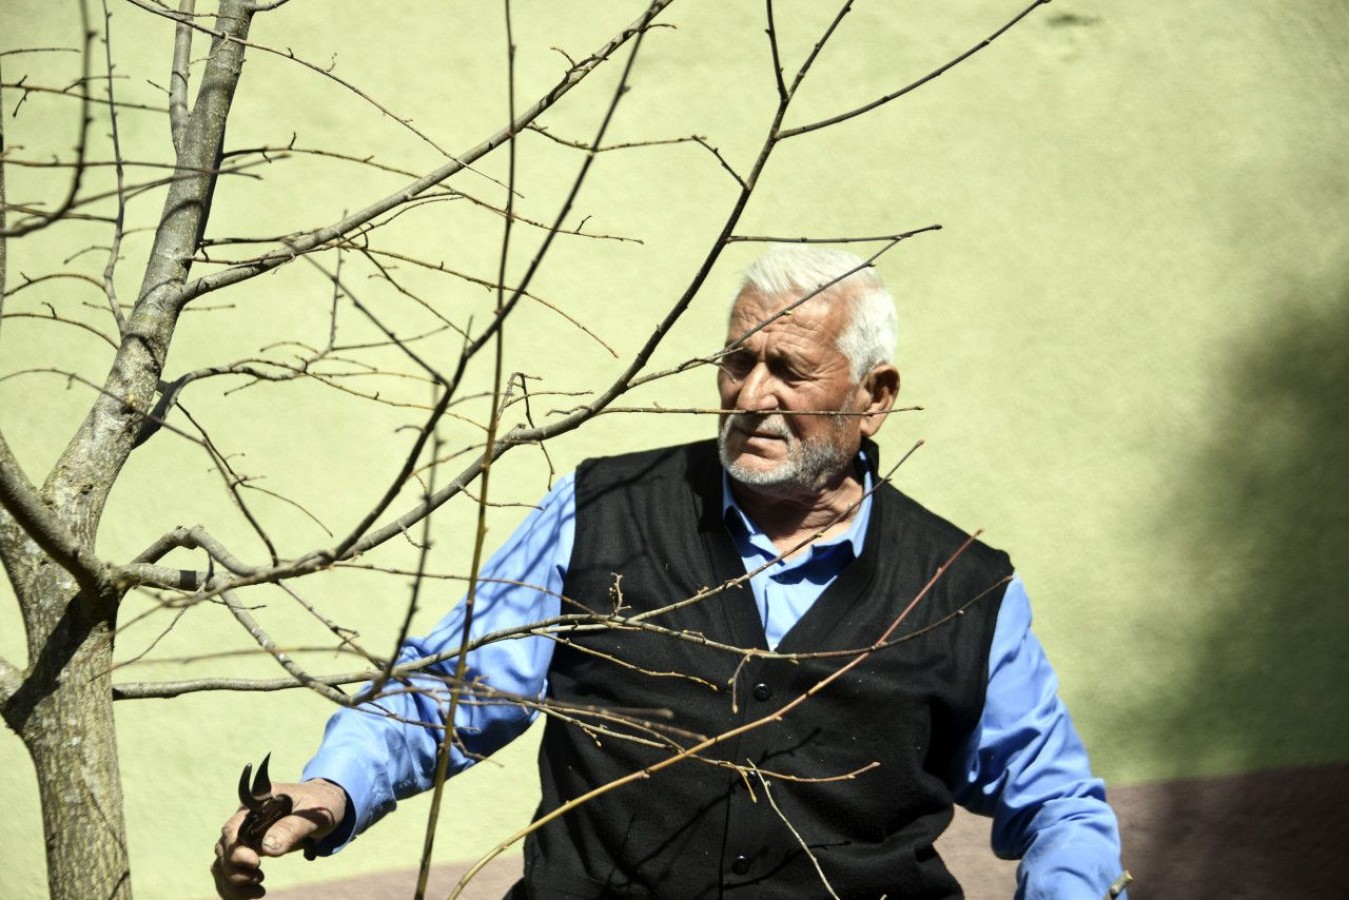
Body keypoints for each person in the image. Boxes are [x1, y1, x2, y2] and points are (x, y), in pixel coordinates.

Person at [214, 246, 1128, 899]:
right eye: (738, 361)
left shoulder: (960, 588)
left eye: (790, 369)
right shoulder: (602, 512)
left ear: (873, 398)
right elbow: (446, 693)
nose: (752, 395)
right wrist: (330, 790)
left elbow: (1056, 804)